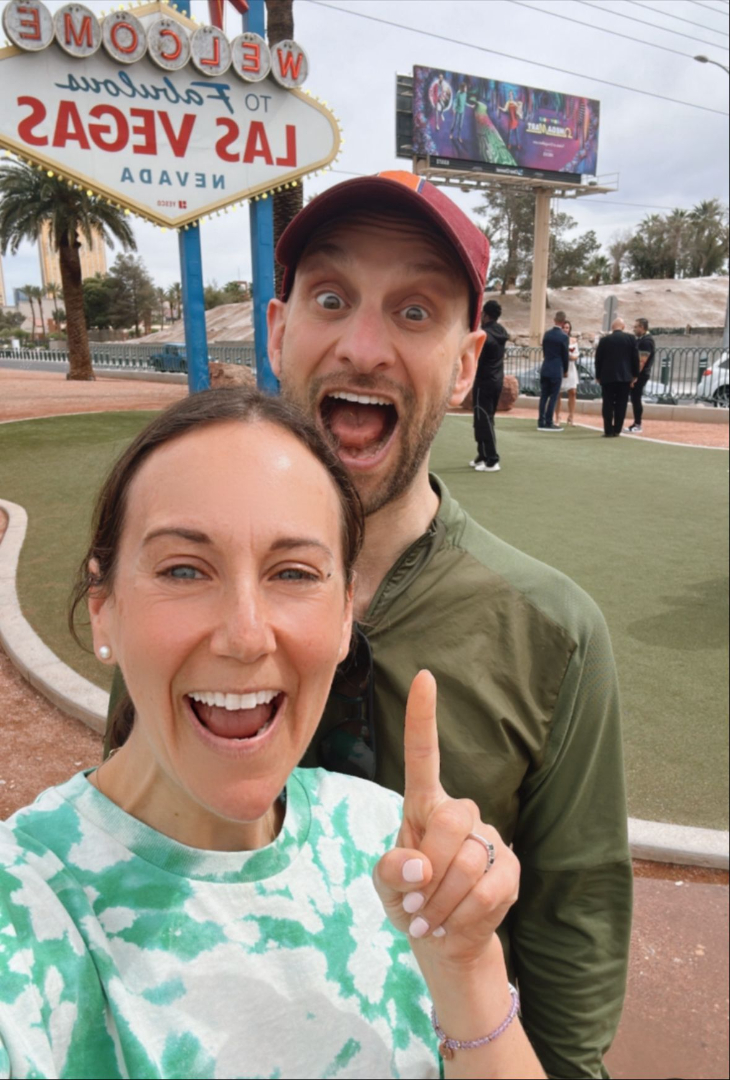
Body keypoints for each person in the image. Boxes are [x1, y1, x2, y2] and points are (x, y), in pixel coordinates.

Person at [108, 171, 632, 1079]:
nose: (362, 346)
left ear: (466, 364)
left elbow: (573, 942)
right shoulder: (174, 597)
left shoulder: (553, 633)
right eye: (331, 298)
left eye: (415, 312)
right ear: (279, 332)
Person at [0, 388, 544, 1080]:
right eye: (184, 569)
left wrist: (467, 968)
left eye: (293, 573)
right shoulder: (22, 909)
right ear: (104, 608)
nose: (246, 635)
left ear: (345, 615)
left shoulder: (388, 846)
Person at [470, 299, 509, 472]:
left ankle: (492, 459)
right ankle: (483, 454)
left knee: (484, 419)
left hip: (484, 381)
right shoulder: (501, 332)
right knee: (484, 418)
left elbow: (476, 358)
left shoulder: (484, 335)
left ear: (485, 314)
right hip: (496, 380)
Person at [595, 317, 640, 437]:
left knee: (607, 404)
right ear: (623, 327)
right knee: (621, 404)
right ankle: (617, 429)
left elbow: (598, 359)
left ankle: (608, 430)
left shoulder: (604, 340)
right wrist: (635, 375)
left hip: (607, 376)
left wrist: (598, 375)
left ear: (612, 327)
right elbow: (635, 358)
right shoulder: (631, 339)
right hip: (625, 376)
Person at [538, 310, 570, 431]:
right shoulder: (564, 337)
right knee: (553, 396)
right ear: (563, 322)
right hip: (556, 369)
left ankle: (541, 420)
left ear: (554, 320)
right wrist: (565, 370)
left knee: (544, 396)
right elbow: (565, 355)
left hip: (546, 366)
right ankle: (549, 421)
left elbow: (544, 350)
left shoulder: (547, 334)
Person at [626, 317, 655, 434]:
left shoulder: (646, 341)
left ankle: (638, 424)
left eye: (636, 327)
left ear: (642, 327)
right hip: (639, 374)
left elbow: (641, 362)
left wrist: (634, 376)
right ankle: (636, 423)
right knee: (635, 399)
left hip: (641, 375)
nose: (634, 329)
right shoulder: (642, 340)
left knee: (636, 398)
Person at [554, 319, 579, 427]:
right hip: (560, 367)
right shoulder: (557, 340)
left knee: (573, 392)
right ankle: (557, 416)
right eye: (564, 327)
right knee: (558, 393)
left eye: (567, 328)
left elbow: (576, 354)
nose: (565, 329)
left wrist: (571, 357)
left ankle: (571, 416)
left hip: (571, 368)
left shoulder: (573, 340)